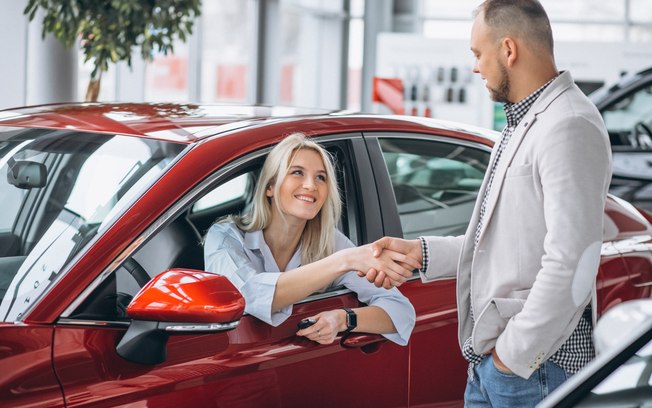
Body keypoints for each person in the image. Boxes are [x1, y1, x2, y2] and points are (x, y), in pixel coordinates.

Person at [364, 0, 612, 405]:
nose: (475, 67)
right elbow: (500, 242)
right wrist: (419, 253)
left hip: (534, 368)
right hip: (499, 364)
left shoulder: (568, 125)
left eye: (478, 54)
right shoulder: (525, 122)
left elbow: (573, 260)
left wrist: (512, 356)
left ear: (508, 50)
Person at [204, 133, 417, 346]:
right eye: (297, 172)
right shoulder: (224, 236)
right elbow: (246, 296)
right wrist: (342, 262)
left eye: (321, 177)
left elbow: (401, 311)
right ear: (270, 186)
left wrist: (343, 319)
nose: (311, 185)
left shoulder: (329, 241)